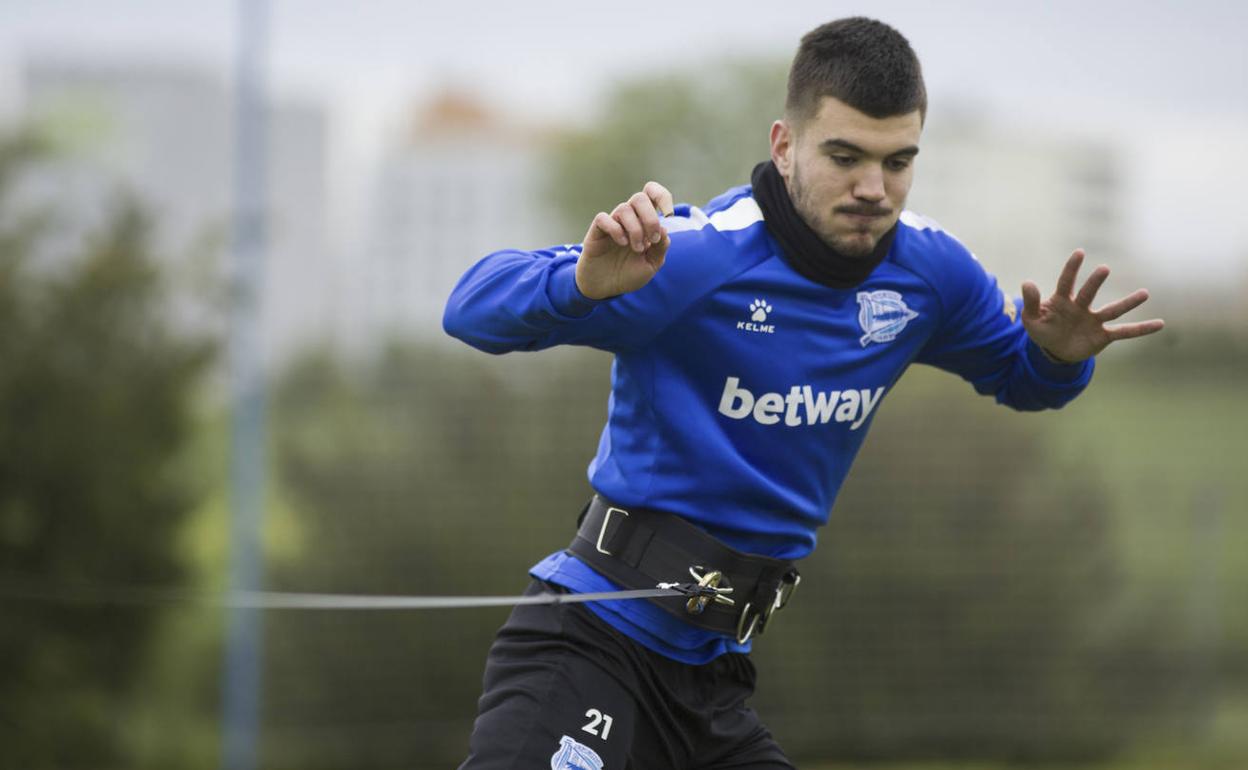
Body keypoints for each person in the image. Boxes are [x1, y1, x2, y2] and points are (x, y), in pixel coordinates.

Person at [442, 16, 1164, 769]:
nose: (873, 189)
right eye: (845, 156)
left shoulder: (932, 275)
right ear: (785, 145)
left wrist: (1057, 358)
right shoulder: (692, 257)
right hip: (590, 650)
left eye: (898, 162)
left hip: (714, 685)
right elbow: (470, 309)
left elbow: (1022, 381)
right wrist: (581, 283)